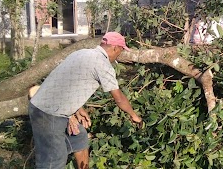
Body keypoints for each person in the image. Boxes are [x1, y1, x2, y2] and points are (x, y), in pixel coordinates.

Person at [29, 32, 143, 169]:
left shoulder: (81, 53)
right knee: (54, 160)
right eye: (121, 50)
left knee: (79, 138)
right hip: (48, 113)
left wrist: (76, 109)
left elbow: (67, 82)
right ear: (114, 48)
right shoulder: (103, 65)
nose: (119, 54)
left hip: (52, 108)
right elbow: (119, 98)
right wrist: (134, 116)